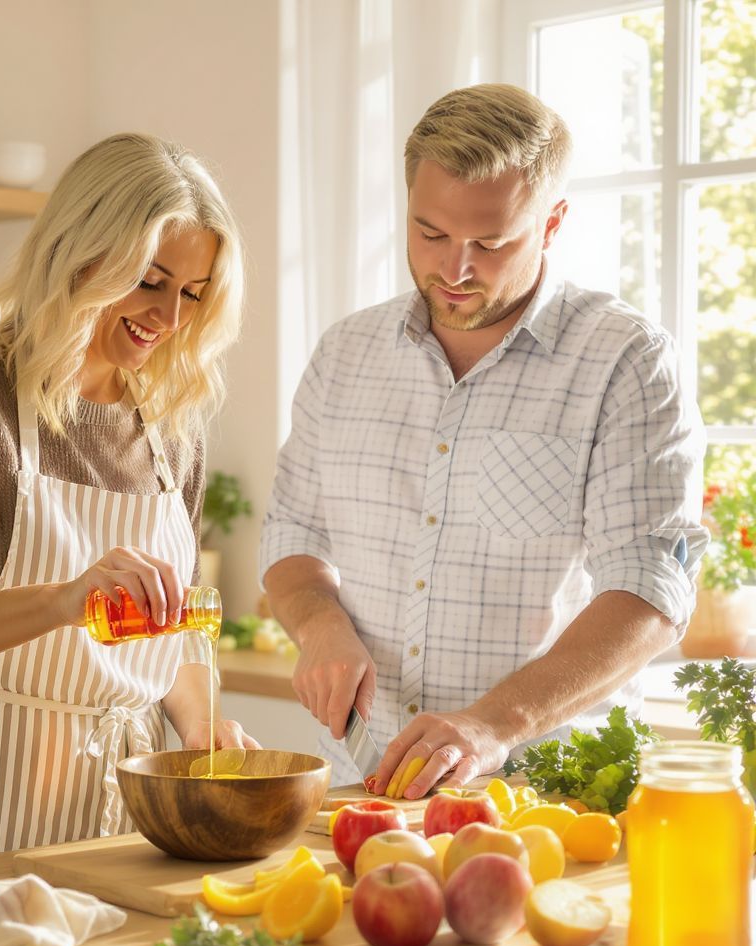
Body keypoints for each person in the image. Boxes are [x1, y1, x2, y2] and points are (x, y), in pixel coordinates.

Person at [260, 84, 707, 800]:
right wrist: (319, 625)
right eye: (430, 233)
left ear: (552, 223)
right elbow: (292, 535)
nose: (455, 269)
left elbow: (650, 591)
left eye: (491, 243)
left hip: (545, 797)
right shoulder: (344, 354)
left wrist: (494, 725)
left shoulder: (626, 360)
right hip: (361, 785)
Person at [0, 133, 258, 870]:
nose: (169, 317)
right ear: (81, 251)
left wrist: (201, 727)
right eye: (149, 280)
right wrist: (67, 600)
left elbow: (176, 629)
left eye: (193, 294)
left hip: (121, 825)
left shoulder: (171, 430)